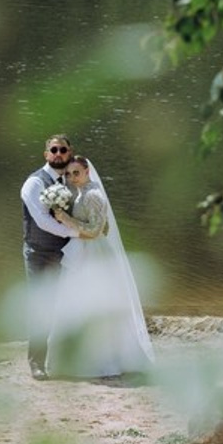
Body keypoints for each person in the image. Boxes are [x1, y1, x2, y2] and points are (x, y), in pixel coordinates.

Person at [45, 154, 155, 380]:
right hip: (84, 250)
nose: (72, 177)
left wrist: (66, 219)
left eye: (77, 172)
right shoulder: (83, 192)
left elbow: (95, 231)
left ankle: (98, 359)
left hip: (92, 254)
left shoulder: (93, 195)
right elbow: (100, 227)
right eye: (69, 174)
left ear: (87, 171)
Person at [20, 135, 83, 380]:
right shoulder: (34, 183)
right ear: (46, 154)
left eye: (62, 150)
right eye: (53, 150)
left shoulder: (72, 179)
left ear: (69, 152)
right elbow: (43, 222)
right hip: (40, 254)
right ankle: (37, 363)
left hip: (69, 252)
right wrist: (78, 232)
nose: (58, 154)